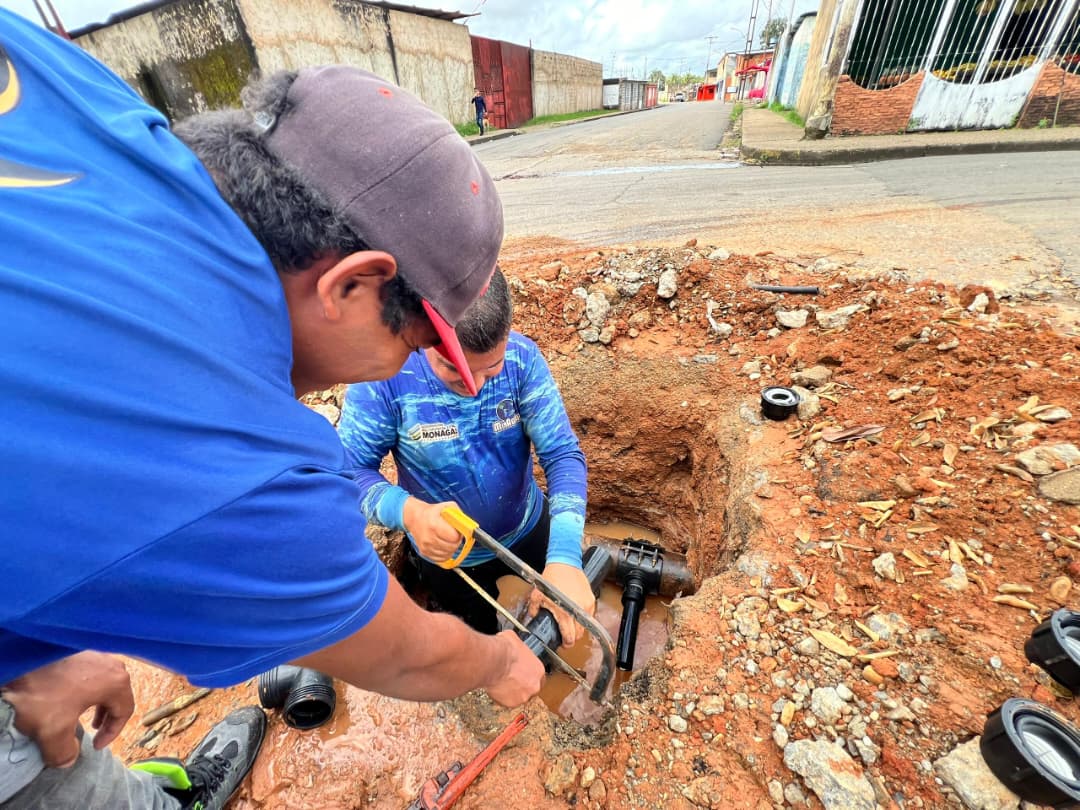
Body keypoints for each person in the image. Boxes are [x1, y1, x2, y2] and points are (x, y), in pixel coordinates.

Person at [0, 9, 544, 810]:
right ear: (350, 285)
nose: (415, 367)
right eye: (419, 345)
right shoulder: (229, 473)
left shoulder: (75, 88)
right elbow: (411, 657)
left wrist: (31, 656)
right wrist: (501, 662)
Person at [339, 269, 596, 646]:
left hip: (528, 526)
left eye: (490, 370)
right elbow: (348, 473)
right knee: (480, 640)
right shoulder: (384, 378)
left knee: (563, 608)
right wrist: (408, 512)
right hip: (450, 562)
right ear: (424, 336)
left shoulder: (522, 361)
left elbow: (562, 455)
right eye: (454, 372)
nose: (474, 387)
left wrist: (565, 556)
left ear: (507, 336)